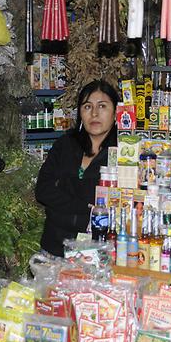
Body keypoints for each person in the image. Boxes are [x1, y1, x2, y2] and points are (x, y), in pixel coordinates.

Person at [35, 79, 119, 257]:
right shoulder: (65, 145)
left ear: (116, 112)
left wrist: (64, 196)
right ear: (80, 113)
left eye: (102, 106)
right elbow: (43, 190)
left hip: (98, 253)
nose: (94, 114)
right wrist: (87, 208)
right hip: (53, 247)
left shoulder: (123, 153)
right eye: (87, 107)